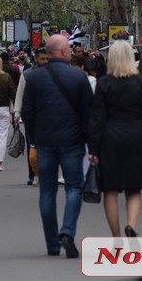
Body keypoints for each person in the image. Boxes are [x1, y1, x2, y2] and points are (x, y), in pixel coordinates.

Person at [22, 35, 92, 257]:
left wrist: (35, 136)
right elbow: (89, 114)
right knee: (74, 187)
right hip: (72, 141)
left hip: (45, 141)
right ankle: (68, 231)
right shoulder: (79, 77)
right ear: (63, 52)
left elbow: (27, 113)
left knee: (48, 191)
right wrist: (91, 142)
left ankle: (52, 242)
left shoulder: (34, 79)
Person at [88, 40, 142, 238]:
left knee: (110, 189)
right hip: (136, 135)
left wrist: (93, 148)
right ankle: (131, 225)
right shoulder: (141, 83)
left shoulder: (104, 83)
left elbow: (97, 118)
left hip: (110, 137)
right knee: (133, 188)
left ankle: (116, 237)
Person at [14, 47, 49, 185]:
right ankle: (33, 173)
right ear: (36, 59)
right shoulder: (27, 75)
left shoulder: (53, 74)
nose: (45, 61)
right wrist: (17, 113)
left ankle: (45, 173)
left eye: (47, 59)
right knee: (32, 146)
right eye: (42, 59)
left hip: (48, 115)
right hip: (31, 116)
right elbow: (20, 94)